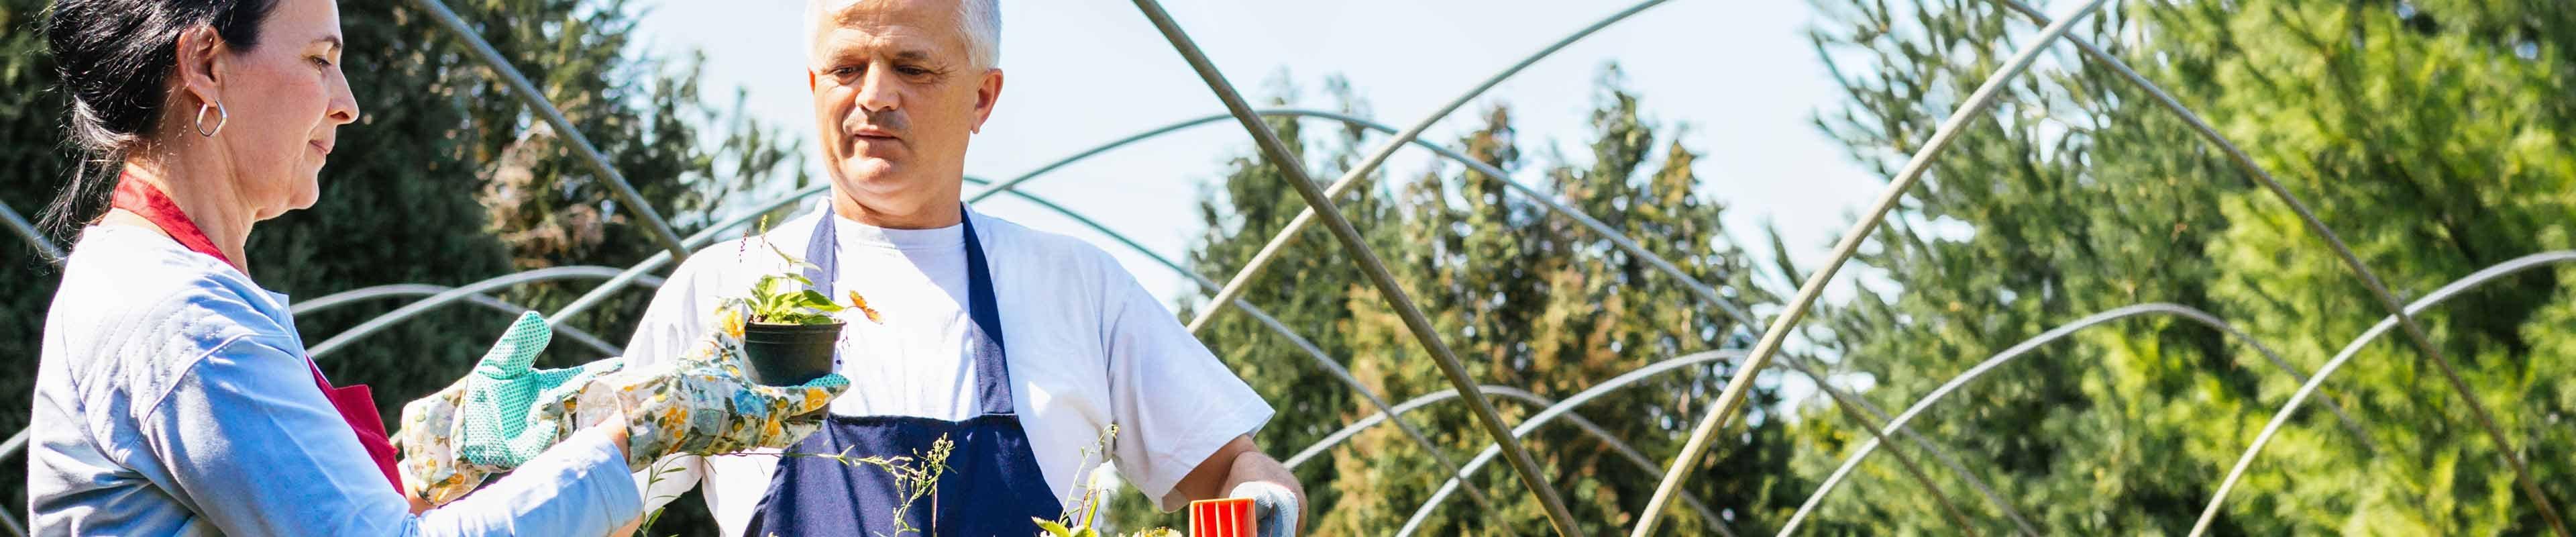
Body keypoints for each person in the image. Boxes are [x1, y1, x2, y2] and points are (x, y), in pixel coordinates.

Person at [25, 0, 794, 534]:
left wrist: (436, 454)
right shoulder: (181, 321)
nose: (348, 102)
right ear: (204, 63)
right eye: (321, 60)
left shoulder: (162, 283)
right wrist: (627, 438)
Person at [619, 1, 1305, 535]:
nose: (875, 96)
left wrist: (1265, 503)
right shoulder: (729, 287)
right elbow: (605, 494)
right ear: (813, 84)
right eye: (847, 67)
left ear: (983, 97)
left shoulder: (1076, 289)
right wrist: (547, 456)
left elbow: (1235, 472)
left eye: (912, 68)